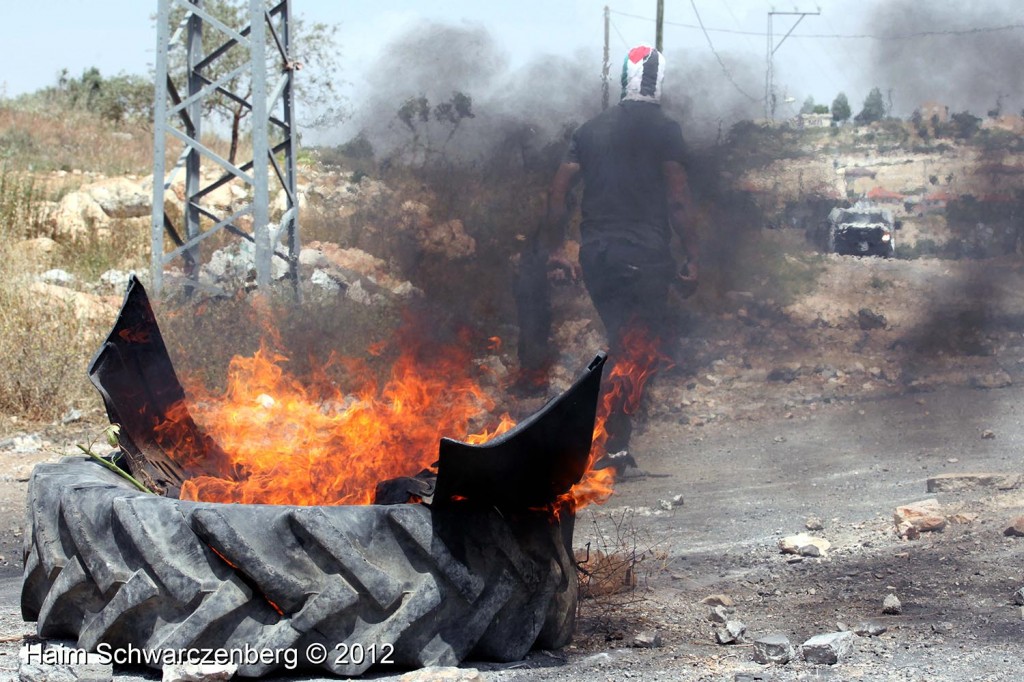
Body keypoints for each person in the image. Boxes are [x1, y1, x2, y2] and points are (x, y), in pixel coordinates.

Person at [545, 44, 699, 463]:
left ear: (621, 82)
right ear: (659, 82)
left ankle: (605, 438)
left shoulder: (590, 129)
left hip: (597, 257)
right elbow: (679, 199)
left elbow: (559, 192)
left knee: (621, 340)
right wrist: (693, 256)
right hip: (647, 256)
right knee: (636, 347)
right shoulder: (666, 130)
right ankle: (604, 441)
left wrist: (559, 249)